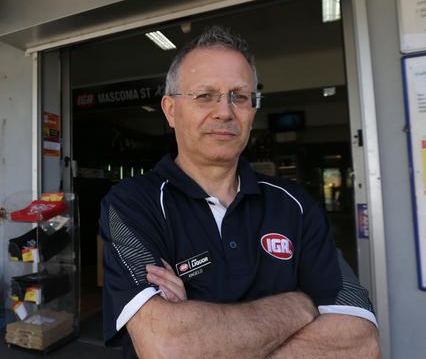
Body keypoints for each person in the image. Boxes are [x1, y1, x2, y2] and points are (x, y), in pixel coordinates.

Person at [99, 26, 379, 358]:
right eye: (205, 95)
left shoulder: (296, 206)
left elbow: (361, 342)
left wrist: (203, 334)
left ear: (252, 110)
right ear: (171, 110)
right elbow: (168, 347)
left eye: (239, 96)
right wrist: (300, 304)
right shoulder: (131, 204)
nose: (225, 111)